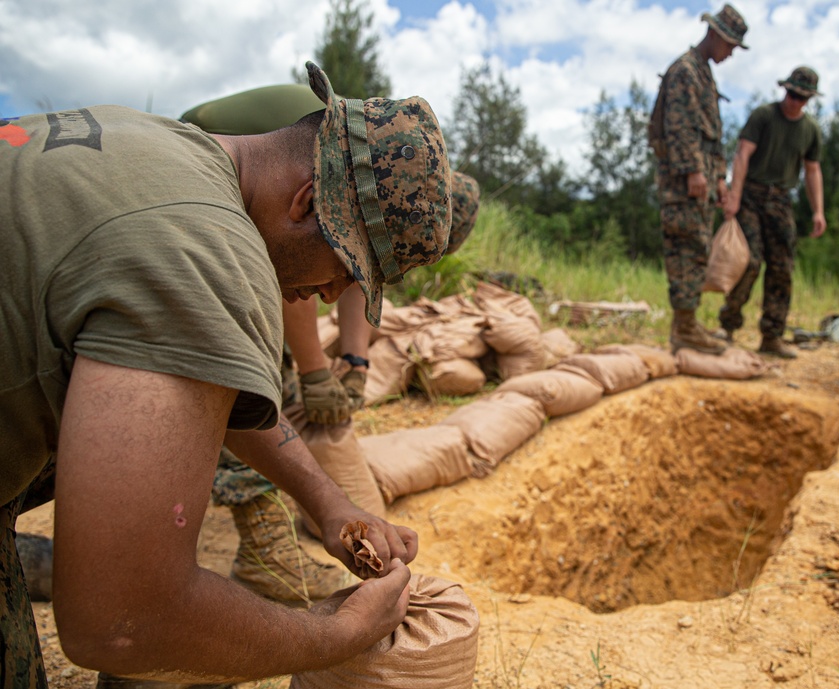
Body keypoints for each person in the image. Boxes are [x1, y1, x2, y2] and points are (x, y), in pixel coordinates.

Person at [1, 61, 453, 686]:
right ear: (305, 200)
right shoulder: (205, 248)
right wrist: (335, 634)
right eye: (342, 268)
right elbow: (122, 621)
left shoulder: (162, 144)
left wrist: (327, 502)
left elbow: (183, 386)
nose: (327, 295)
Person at [179, 85, 481, 611]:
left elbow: (344, 271)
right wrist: (316, 371)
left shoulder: (366, 179)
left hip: (260, 212)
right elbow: (288, 260)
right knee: (244, 368)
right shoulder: (308, 165)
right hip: (204, 187)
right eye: (349, 265)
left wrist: (357, 361)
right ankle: (265, 549)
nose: (330, 293)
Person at [650, 3, 749, 355]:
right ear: (716, 35)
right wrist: (693, 170)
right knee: (686, 249)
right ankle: (685, 329)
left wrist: (719, 179)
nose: (731, 54)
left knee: (696, 249)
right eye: (731, 46)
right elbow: (679, 127)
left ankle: (687, 325)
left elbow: (712, 136)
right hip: (684, 182)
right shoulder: (685, 71)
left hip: (701, 182)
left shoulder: (704, 74)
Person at [715, 66, 827, 358]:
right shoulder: (764, 116)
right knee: (749, 261)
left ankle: (772, 336)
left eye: (801, 98)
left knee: (782, 268)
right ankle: (727, 327)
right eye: (791, 94)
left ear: (809, 99)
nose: (794, 101)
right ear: (784, 91)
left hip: (780, 200)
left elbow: (812, 170)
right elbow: (742, 154)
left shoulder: (811, 130)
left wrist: (818, 211)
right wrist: (734, 196)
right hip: (751, 194)